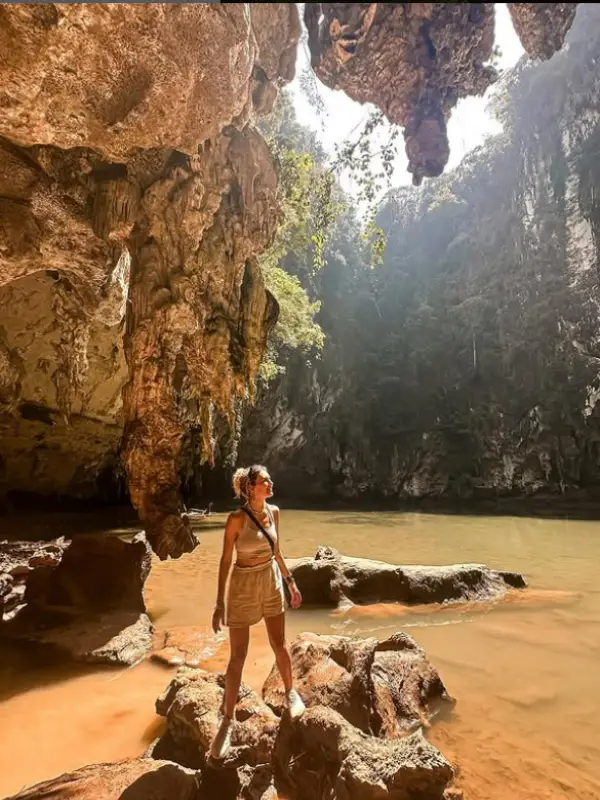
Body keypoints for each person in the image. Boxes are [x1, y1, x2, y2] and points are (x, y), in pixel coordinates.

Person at [210, 464, 305, 760]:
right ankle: (227, 721)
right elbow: (225, 561)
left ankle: (290, 693)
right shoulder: (236, 520)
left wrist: (291, 583)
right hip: (243, 586)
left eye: (269, 479)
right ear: (251, 488)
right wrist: (219, 603)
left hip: (271, 582)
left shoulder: (274, 513)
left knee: (279, 644)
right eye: (265, 480)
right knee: (238, 656)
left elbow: (277, 552)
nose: (271, 482)